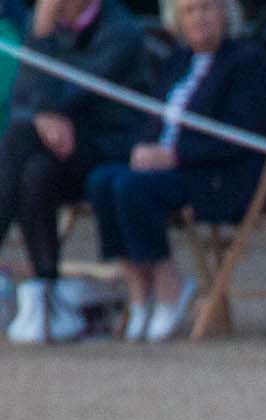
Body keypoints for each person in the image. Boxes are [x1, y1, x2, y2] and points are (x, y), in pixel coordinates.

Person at [83, 0, 266, 343]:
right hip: (169, 169)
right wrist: (144, 148)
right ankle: (139, 287)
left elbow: (240, 136)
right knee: (102, 181)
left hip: (218, 174)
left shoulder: (248, 61)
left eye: (207, 8)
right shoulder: (179, 60)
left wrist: (174, 156)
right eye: (190, 11)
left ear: (224, 14)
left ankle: (168, 284)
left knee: (131, 187)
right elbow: (156, 121)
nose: (199, 18)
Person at [1, 0, 149, 344]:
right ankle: (46, 293)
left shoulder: (119, 32)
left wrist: (40, 39)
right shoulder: (48, 29)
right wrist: (41, 115)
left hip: (109, 149)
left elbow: (74, 92)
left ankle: (46, 295)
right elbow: (21, 98)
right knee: (35, 171)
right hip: (55, 153)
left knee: (20, 140)